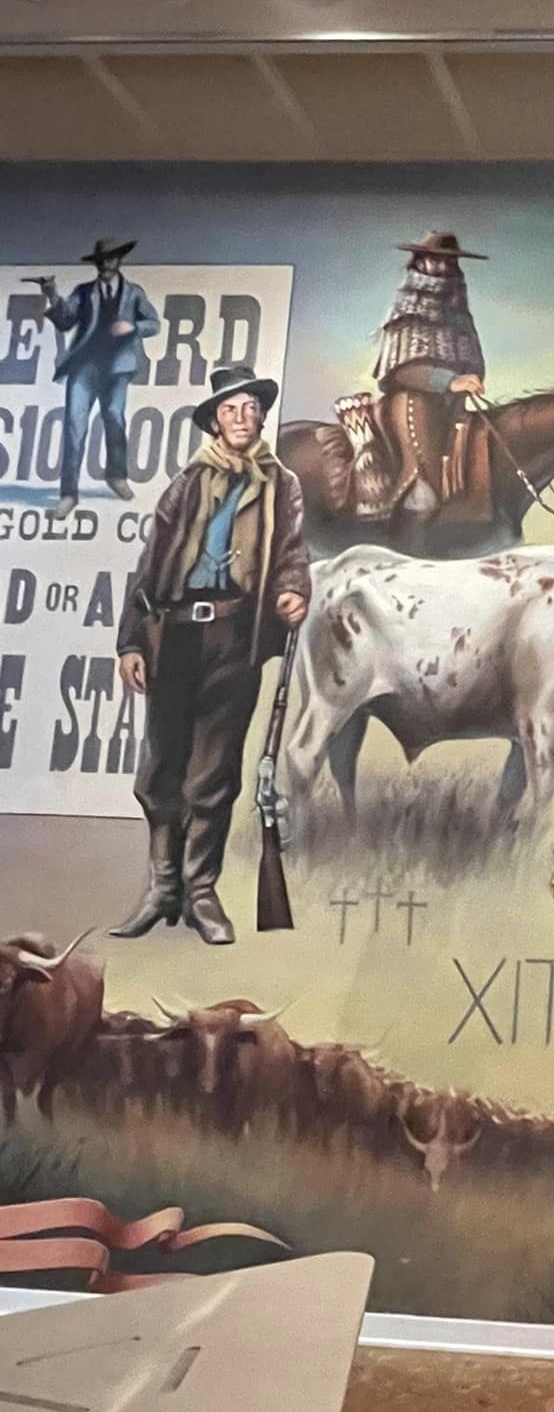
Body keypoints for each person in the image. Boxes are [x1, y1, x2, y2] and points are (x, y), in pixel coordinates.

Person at [113, 364, 310, 946]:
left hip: (234, 636)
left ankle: (201, 892)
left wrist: (292, 589)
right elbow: (150, 564)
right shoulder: (187, 483)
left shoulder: (281, 485)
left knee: (214, 772)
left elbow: (292, 551)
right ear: (215, 421)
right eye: (230, 409)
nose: (242, 418)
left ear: (261, 416)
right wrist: (131, 640)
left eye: (250, 408)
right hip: (173, 634)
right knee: (161, 767)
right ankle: (162, 888)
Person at [39, 236, 160, 518]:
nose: (106, 264)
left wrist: (131, 327)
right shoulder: (84, 292)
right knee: (74, 426)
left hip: (117, 368)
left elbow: (154, 324)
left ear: (119, 260)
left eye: (111, 259)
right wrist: (52, 296)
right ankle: (68, 494)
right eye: (102, 260)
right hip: (84, 368)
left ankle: (116, 476)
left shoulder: (134, 293)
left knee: (114, 419)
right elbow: (65, 321)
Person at [373, 231, 490, 512]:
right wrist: (450, 381)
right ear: (420, 261)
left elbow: (471, 358)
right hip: (414, 400)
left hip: (453, 405)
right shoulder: (405, 309)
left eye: (449, 261)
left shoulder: (459, 311)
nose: (442, 267)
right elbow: (402, 370)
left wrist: (471, 378)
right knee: (425, 494)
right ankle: (416, 494)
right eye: (435, 260)